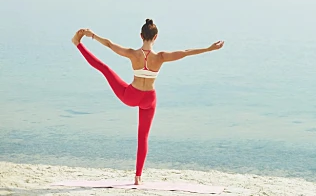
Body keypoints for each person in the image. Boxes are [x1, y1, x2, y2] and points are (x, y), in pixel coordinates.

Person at [71, 19, 224, 185]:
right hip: (149, 99)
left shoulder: (132, 54)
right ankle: (137, 177)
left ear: (141, 35)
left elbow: (109, 44)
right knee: (142, 137)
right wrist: (209, 49)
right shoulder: (161, 57)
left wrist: (92, 35)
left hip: (131, 96)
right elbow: (186, 52)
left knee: (105, 69)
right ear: (156, 37)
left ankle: (77, 44)